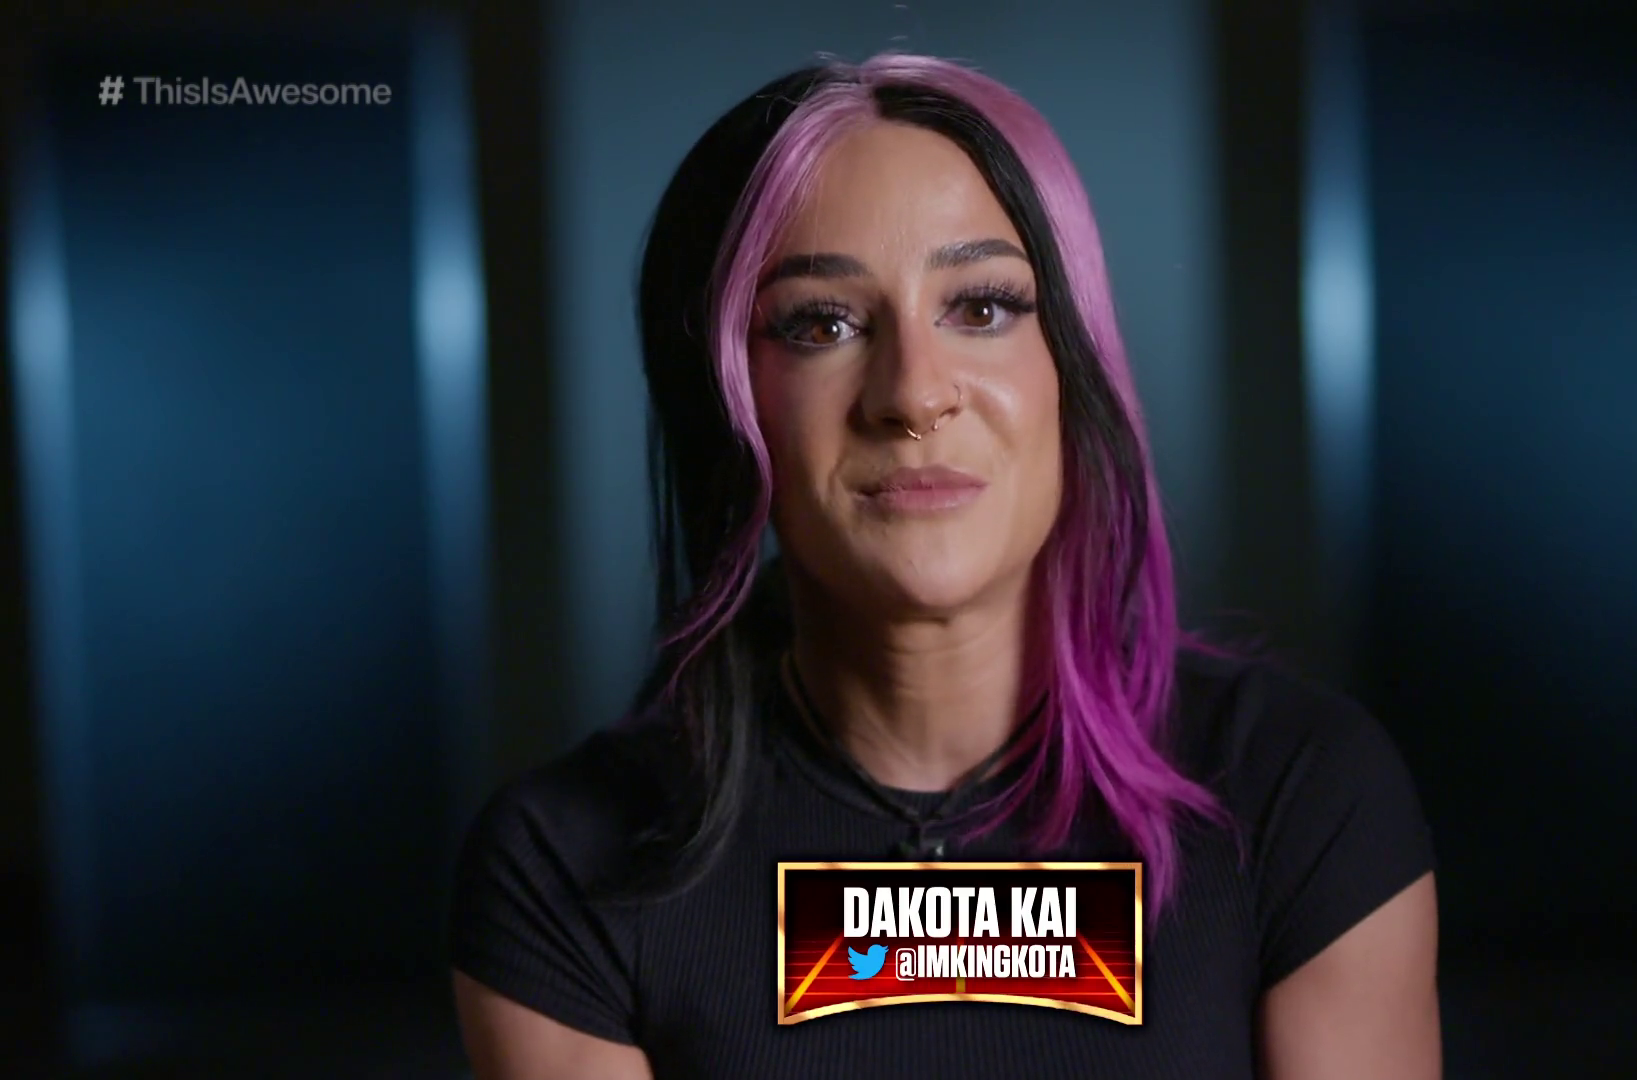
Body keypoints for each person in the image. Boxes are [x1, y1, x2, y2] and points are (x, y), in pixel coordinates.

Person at [449, 52, 1439, 1079]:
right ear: (727, 402)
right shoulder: (562, 869)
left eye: (982, 307)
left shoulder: (1304, 797)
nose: (914, 394)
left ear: (1075, 365)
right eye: (822, 323)